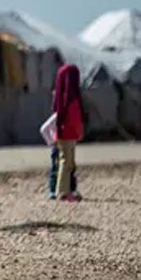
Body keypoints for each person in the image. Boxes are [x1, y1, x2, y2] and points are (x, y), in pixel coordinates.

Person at [52, 63, 85, 203]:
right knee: (66, 162)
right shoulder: (69, 99)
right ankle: (63, 192)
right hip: (68, 134)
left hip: (68, 133)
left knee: (68, 162)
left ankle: (65, 190)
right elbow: (72, 118)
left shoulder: (62, 98)